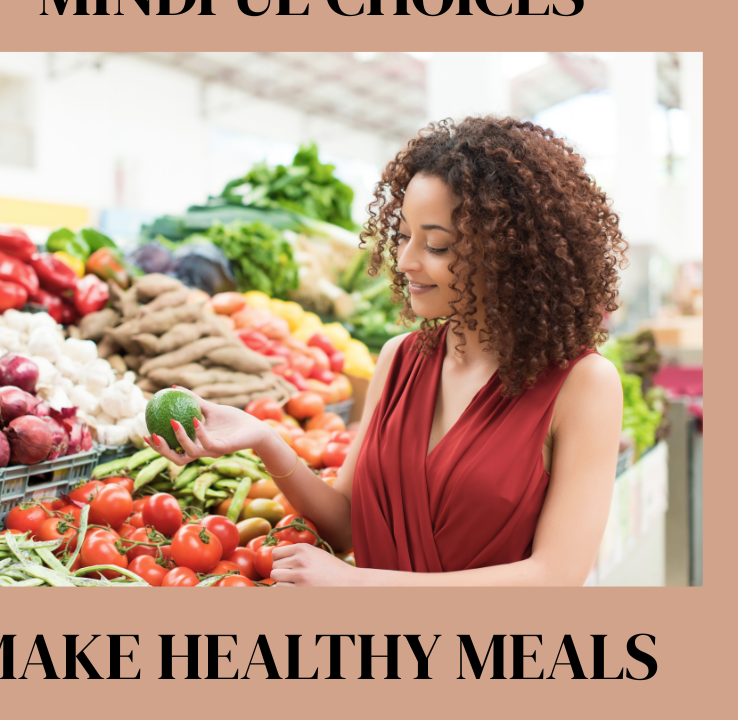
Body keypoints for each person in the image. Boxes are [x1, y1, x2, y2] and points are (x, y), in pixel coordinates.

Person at [145, 115, 627, 587]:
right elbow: (345, 526)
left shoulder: (582, 384)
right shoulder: (400, 358)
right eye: (402, 236)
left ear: (508, 252)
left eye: (436, 245)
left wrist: (359, 587)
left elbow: (555, 576)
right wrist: (264, 438)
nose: (404, 261)